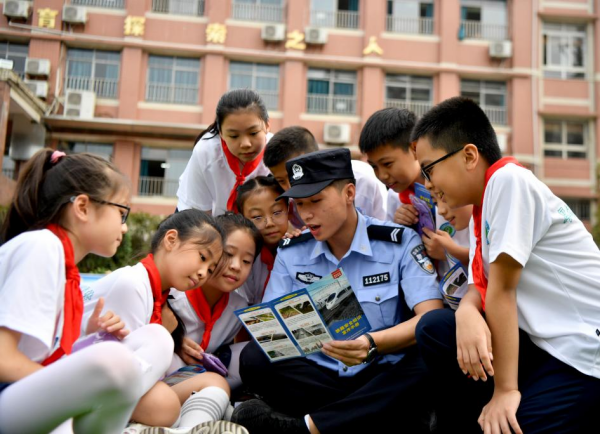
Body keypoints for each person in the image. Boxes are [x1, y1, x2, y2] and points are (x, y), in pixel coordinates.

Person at [413, 96, 600, 433]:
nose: (426, 184)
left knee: (516, 426)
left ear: (469, 155)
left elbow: (502, 289)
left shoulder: (509, 181)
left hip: (582, 351)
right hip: (542, 343)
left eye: (429, 168)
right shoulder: (482, 205)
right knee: (438, 330)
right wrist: (468, 313)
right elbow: (478, 285)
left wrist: (505, 391)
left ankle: (508, 405)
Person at [232, 148, 443, 434]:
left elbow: (429, 319)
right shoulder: (292, 252)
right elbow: (272, 331)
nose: (306, 215)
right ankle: (372, 420)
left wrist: (371, 343)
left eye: (316, 201)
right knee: (254, 359)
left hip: (380, 371)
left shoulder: (399, 243)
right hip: (320, 375)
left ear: (349, 193)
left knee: (431, 353)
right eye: (300, 204)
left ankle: (307, 427)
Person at [0, 149, 174, 434]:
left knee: (157, 337)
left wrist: (89, 332)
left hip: (27, 392)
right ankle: (94, 412)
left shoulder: (65, 267)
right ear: (82, 207)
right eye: (121, 212)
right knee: (115, 362)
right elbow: (4, 359)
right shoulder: (41, 247)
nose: (126, 226)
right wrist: (79, 387)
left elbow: (43, 349)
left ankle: (97, 412)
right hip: (8, 394)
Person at [83, 210, 245, 434]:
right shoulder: (132, 284)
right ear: (171, 240)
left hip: (127, 382)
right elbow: (129, 368)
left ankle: (189, 429)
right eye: (202, 257)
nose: (202, 273)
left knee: (216, 383)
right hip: (94, 386)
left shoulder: (160, 294)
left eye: (209, 269)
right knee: (164, 406)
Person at [169, 212, 263, 392]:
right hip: (161, 373)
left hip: (200, 380)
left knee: (251, 352)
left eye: (246, 261)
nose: (236, 266)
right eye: (228, 254)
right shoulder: (175, 294)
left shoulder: (238, 307)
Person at [264, 126, 387, 225]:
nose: (291, 185)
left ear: (349, 193)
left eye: (295, 174)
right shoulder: (285, 200)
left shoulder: (363, 180)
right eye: (281, 181)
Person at [177, 89, 272, 215]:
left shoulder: (277, 151)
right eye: (233, 136)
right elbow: (197, 217)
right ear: (221, 133)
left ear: (267, 126)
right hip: (201, 218)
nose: (245, 144)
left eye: (253, 133)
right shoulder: (205, 152)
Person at [358, 107, 422, 224]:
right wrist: (399, 225)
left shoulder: (444, 192)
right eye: (374, 167)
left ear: (415, 149)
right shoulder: (394, 197)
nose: (382, 176)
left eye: (387, 164)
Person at [235, 176, 289, 305]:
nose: (269, 223)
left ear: (289, 210)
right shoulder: (244, 257)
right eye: (257, 217)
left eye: (277, 212)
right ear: (243, 219)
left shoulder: (302, 245)